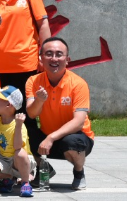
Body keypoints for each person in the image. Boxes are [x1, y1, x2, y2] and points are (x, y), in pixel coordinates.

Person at [25, 37, 95, 191]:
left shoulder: (78, 84)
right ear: (41, 58)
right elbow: (31, 114)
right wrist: (39, 101)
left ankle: (79, 172)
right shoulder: (33, 81)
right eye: (49, 54)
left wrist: (51, 138)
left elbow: (79, 122)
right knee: (22, 131)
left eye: (59, 54)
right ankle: (44, 168)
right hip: (47, 136)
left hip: (76, 137)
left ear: (67, 59)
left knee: (72, 142)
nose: (54, 58)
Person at [0, 86, 36, 197]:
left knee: (19, 153)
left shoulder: (18, 123)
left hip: (21, 161)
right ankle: (10, 177)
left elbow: (17, 146)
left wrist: (18, 126)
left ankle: (25, 182)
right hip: (4, 159)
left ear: (8, 104)